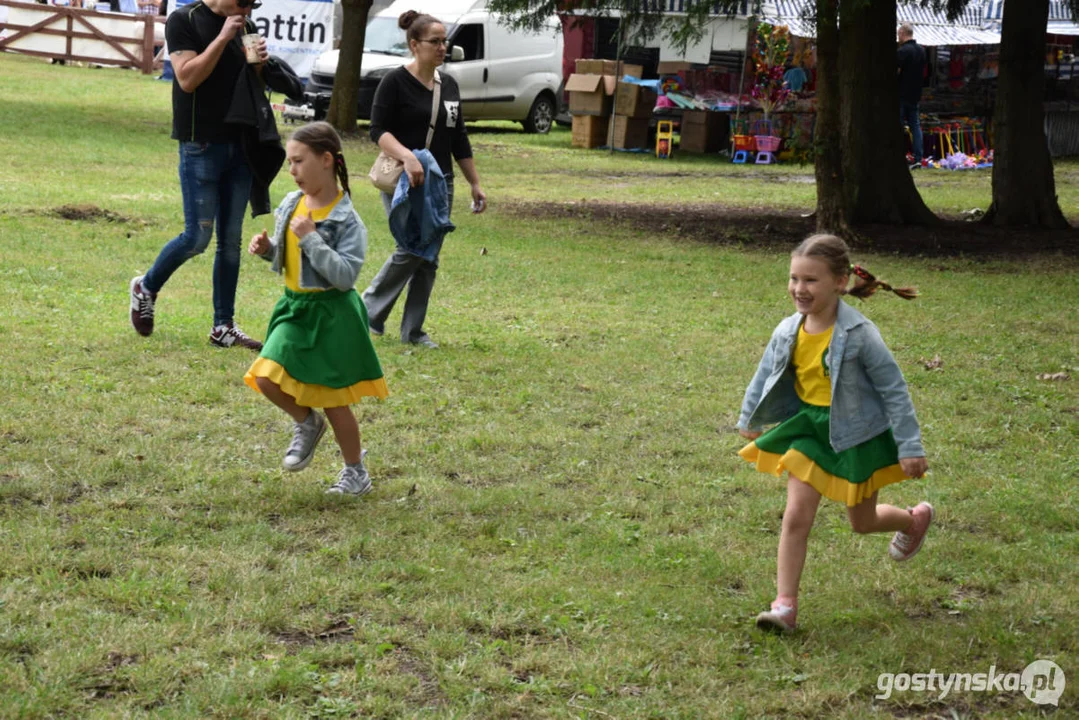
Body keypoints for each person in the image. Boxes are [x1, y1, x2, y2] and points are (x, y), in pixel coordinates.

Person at [736, 234, 934, 634]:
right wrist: (749, 417)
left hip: (857, 434)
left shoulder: (861, 335)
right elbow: (766, 372)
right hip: (809, 430)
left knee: (861, 521)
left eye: (811, 280)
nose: (799, 289)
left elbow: (893, 389)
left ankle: (912, 521)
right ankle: (784, 606)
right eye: (794, 278)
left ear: (840, 281)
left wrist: (910, 446)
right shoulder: (788, 329)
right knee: (796, 516)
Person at [245, 122, 389, 496]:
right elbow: (288, 253)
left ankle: (356, 472)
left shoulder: (347, 220)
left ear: (327, 160)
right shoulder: (292, 204)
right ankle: (307, 424)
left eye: (299, 161)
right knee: (264, 376)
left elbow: (343, 276)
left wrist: (312, 239)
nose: (291, 170)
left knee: (334, 401)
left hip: (332, 317)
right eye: (289, 162)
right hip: (295, 310)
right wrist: (269, 250)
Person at [129, 0, 268, 350]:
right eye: (243, 2)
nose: (248, 9)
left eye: (254, 4)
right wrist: (222, 38)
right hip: (200, 142)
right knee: (197, 237)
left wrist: (260, 65)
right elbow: (187, 78)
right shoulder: (184, 20)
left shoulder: (245, 25)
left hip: (241, 143)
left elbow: (246, 84)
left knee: (231, 242)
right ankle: (146, 286)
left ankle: (224, 326)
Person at [362, 10, 487, 349]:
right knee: (412, 247)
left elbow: (458, 136)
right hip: (404, 178)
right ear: (415, 45)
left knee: (428, 257)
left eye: (445, 41)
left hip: (440, 181)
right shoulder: (394, 81)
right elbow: (377, 130)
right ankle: (366, 311)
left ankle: (413, 332)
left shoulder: (450, 86)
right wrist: (408, 156)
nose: (443, 47)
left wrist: (474, 182)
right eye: (436, 41)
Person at [897, 23, 926, 170]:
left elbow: (897, 71)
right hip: (915, 94)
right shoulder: (921, 51)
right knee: (915, 126)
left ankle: (898, 155)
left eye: (898, 33)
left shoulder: (902, 51)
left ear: (902, 33)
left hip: (902, 93)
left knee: (899, 125)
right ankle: (918, 158)